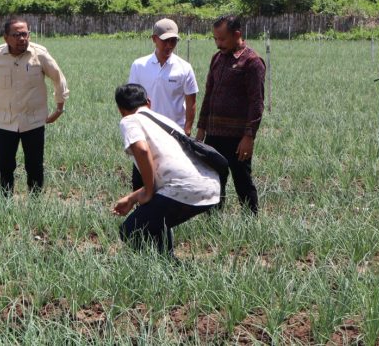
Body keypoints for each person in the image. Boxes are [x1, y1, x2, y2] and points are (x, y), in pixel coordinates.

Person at [112, 83, 220, 256]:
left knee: (130, 230)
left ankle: (154, 271)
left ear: (121, 110)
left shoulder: (129, 120)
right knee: (156, 223)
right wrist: (133, 198)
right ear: (148, 102)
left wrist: (147, 190)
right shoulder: (165, 121)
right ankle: (168, 263)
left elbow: (141, 149)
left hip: (183, 188)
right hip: (210, 186)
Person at [0, 18, 69, 196]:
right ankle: (5, 204)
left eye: (25, 34)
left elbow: (59, 78)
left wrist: (59, 108)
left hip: (34, 121)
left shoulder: (39, 54)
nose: (22, 39)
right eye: (16, 35)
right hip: (5, 122)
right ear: (6, 38)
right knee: (4, 167)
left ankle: (35, 206)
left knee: (34, 166)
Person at [196, 15, 266, 215]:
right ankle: (213, 223)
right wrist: (201, 130)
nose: (218, 44)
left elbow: (256, 102)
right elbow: (208, 95)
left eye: (222, 39)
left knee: (242, 180)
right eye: (215, 39)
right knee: (214, 180)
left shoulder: (252, 62)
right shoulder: (217, 59)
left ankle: (250, 222)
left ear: (237, 34)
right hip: (214, 134)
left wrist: (248, 137)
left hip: (238, 138)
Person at [128, 18, 199, 191]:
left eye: (173, 41)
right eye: (165, 41)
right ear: (154, 39)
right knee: (141, 179)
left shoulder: (184, 68)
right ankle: (141, 216)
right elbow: (132, 99)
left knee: (171, 181)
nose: (169, 45)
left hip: (174, 134)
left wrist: (187, 130)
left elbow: (191, 102)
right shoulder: (139, 65)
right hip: (145, 132)